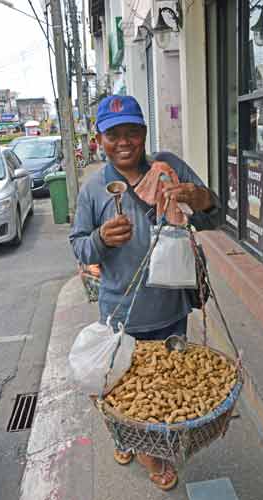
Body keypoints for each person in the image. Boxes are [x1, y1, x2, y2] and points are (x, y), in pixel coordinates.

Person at [69, 95, 220, 491]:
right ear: (99, 139)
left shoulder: (166, 167)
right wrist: (100, 239)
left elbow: (212, 214)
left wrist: (196, 197)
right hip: (121, 315)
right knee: (120, 393)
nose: (124, 142)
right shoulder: (93, 190)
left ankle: (148, 446)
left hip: (170, 310)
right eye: (113, 134)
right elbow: (79, 246)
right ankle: (134, 444)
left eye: (132, 132)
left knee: (165, 390)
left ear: (144, 134)